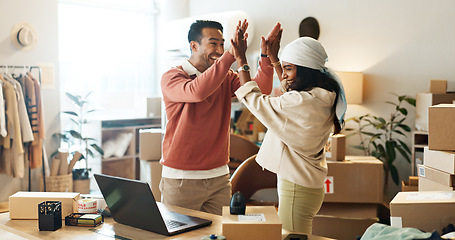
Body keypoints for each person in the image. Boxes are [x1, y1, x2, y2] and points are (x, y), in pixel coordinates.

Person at [230, 24, 347, 233]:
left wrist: (241, 59)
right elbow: (290, 91)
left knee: (291, 237)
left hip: (296, 189)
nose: (284, 75)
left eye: (289, 68)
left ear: (306, 70)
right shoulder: (324, 95)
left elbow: (255, 101)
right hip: (306, 188)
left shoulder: (301, 102)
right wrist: (275, 59)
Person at [160, 19, 281, 215]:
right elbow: (197, 92)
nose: (219, 49)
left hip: (219, 178)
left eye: (222, 44)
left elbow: (260, 90)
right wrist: (230, 56)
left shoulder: (226, 77)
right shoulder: (173, 77)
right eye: (213, 43)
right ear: (194, 46)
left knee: (218, 235)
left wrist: (265, 55)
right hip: (182, 180)